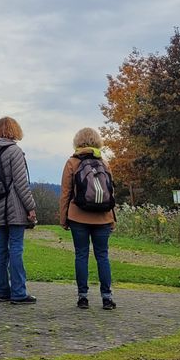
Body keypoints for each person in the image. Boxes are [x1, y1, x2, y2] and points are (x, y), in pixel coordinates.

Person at [59, 127, 117, 310]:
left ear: (77, 142)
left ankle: (83, 297)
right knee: (103, 256)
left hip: (79, 216)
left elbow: (66, 193)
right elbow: (111, 191)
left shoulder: (72, 162)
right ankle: (107, 297)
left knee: (81, 255)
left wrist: (64, 218)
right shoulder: (104, 162)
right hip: (103, 217)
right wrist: (112, 218)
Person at [0, 116, 37, 304]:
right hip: (14, 207)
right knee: (16, 247)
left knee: (0, 248)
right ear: (15, 130)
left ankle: (2, 292)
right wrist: (30, 207)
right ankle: (19, 293)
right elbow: (21, 184)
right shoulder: (14, 151)